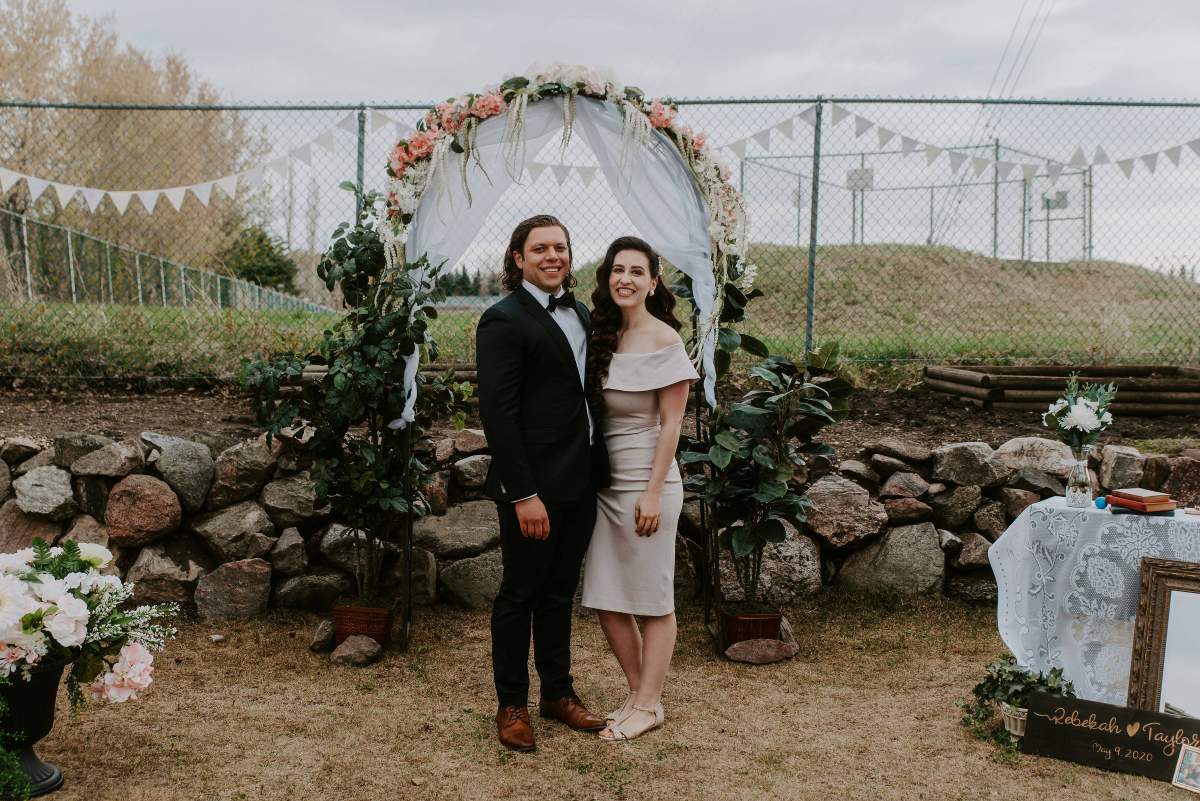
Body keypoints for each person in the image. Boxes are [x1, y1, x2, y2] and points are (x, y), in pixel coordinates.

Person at [476, 214, 612, 753]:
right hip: (532, 486)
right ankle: (512, 704)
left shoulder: (579, 312)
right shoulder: (502, 320)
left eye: (560, 247)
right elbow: (500, 416)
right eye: (540, 249)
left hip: (581, 477)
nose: (552, 256)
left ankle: (558, 693)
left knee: (558, 592)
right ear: (518, 258)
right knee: (519, 593)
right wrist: (523, 493)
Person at [581, 235, 698, 741]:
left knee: (652, 598)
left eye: (636, 271)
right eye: (617, 269)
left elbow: (671, 424)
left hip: (650, 483)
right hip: (607, 486)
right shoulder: (600, 336)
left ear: (653, 283)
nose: (624, 278)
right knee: (607, 596)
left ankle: (649, 706)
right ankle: (638, 694)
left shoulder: (666, 341)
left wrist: (652, 493)